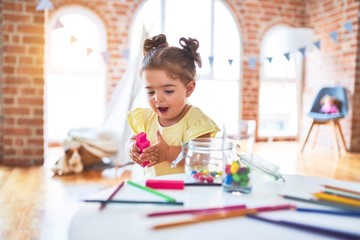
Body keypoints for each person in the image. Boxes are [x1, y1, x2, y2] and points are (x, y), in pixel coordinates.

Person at [126, 34, 220, 176]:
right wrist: (132, 149)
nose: (158, 98)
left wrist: (167, 152)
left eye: (168, 91)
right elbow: (132, 140)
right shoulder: (146, 118)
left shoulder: (195, 122)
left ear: (188, 89)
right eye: (150, 91)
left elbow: (200, 159)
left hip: (186, 193)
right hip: (153, 190)